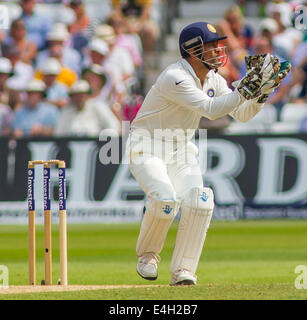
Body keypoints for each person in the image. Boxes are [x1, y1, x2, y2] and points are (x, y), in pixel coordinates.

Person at [126, 21, 289, 285]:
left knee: (200, 202)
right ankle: (148, 256)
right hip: (147, 145)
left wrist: (262, 93)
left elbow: (241, 114)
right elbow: (212, 109)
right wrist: (246, 86)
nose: (217, 50)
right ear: (192, 50)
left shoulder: (214, 78)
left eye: (217, 45)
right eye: (211, 46)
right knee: (166, 200)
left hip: (182, 148)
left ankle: (183, 271)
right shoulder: (174, 77)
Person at [55, 80, 121, 137]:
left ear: (88, 95)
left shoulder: (98, 107)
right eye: (76, 95)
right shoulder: (66, 112)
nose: (79, 98)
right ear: (72, 97)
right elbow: (59, 134)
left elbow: (114, 127)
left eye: (82, 94)